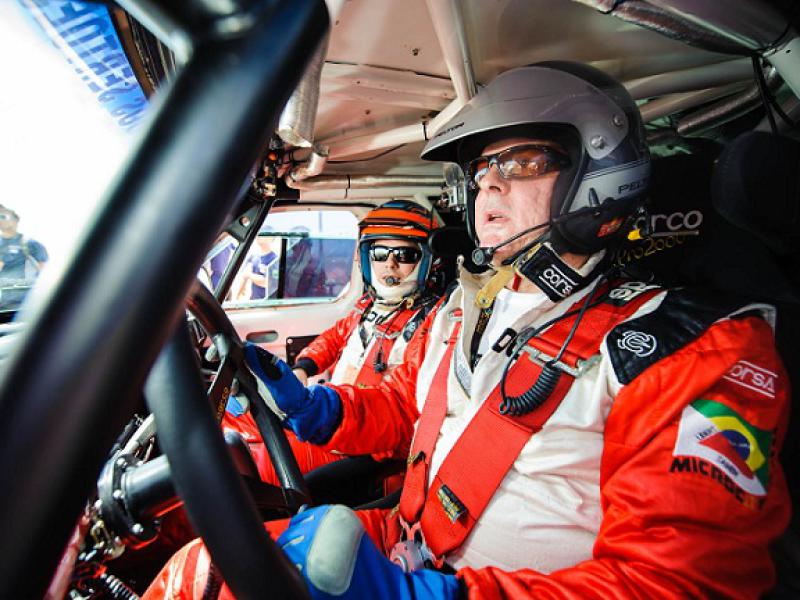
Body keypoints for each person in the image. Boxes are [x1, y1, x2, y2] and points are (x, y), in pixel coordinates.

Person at [146, 62, 790, 599]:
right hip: (408, 542)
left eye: (523, 163)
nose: (489, 190)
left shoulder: (696, 348)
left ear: (597, 171)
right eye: (482, 172)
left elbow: (678, 583)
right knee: (202, 568)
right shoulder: (463, 310)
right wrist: (318, 407)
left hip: (479, 585)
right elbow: (403, 408)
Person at [222, 199, 445, 483]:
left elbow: (401, 407)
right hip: (331, 415)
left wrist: (320, 411)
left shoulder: (433, 324)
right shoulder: (367, 307)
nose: (390, 264)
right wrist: (303, 368)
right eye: (379, 253)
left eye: (405, 254)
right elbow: (333, 338)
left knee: (249, 466)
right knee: (226, 418)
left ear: (427, 261)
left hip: (363, 442)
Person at [0, 205, 48, 311]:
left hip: (26, 306)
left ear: (16, 220)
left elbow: (45, 274)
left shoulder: (31, 244)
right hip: (3, 306)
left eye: (3, 216)